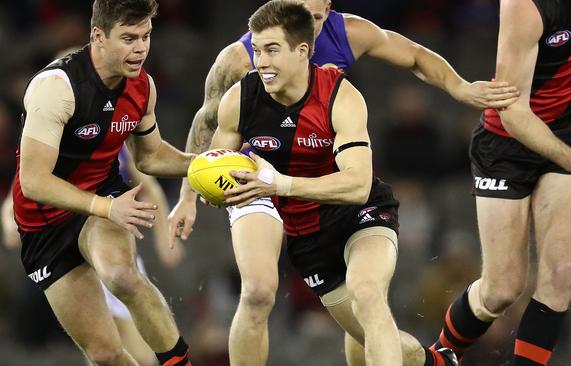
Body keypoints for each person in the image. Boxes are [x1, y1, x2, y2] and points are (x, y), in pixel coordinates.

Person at [168, 0, 519, 364]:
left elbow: (357, 183)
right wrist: (194, 193)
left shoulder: (342, 88)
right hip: (271, 185)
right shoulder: (238, 78)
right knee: (263, 294)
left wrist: (460, 88)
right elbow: (208, 139)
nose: (262, 61)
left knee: (367, 295)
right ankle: (436, 362)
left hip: (346, 199)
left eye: (315, 18)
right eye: (259, 51)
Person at [429, 0, 571, 365]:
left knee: (561, 274)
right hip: (508, 143)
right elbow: (513, 110)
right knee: (502, 289)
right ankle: (442, 354)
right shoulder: (525, 6)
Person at [13, 0, 194, 364]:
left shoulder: (143, 87)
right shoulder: (56, 88)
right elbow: (33, 181)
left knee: (121, 274)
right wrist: (109, 207)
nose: (140, 48)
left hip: (100, 196)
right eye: (128, 38)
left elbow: (150, 156)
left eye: (145, 36)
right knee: (106, 354)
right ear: (97, 36)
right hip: (42, 224)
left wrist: (203, 164)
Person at [2, 147, 184, 366]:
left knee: (142, 354)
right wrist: (8, 222)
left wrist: (164, 238)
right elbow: (22, 187)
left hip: (111, 249)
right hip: (71, 252)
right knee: (102, 351)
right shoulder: (52, 143)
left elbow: (150, 188)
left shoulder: (117, 143)